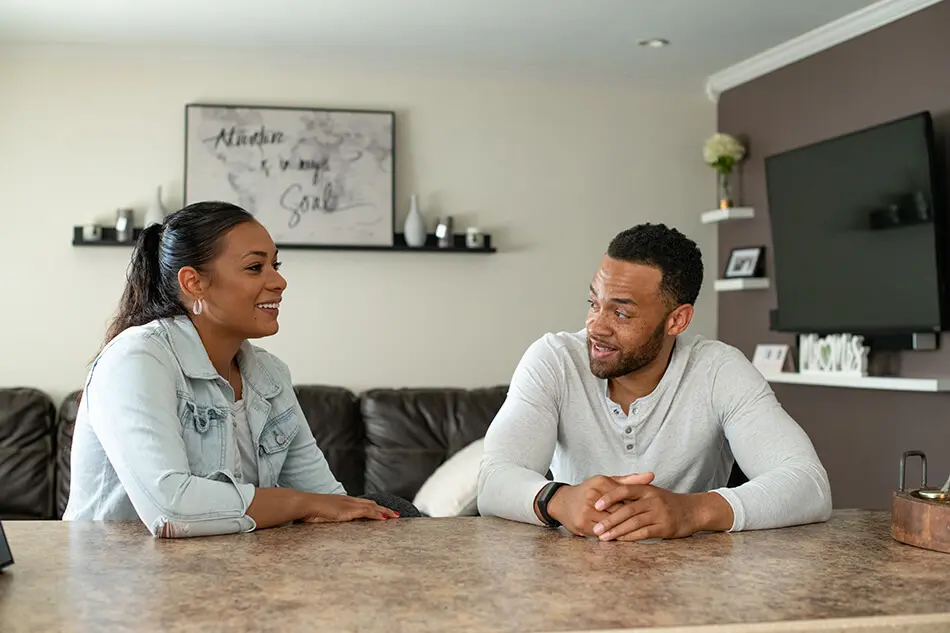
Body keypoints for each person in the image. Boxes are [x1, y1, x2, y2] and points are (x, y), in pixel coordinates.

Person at [64, 202, 420, 538]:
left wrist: (336, 511)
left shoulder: (269, 374)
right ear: (194, 283)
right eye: (255, 267)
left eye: (275, 266)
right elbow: (172, 509)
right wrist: (299, 503)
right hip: (117, 585)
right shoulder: (136, 360)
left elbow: (327, 499)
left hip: (225, 577)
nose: (279, 282)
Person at [477, 223, 831, 541]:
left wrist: (691, 511)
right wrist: (557, 499)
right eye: (593, 303)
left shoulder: (719, 369)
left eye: (621, 313)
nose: (596, 327)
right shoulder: (554, 359)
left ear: (677, 320)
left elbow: (809, 485)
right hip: (572, 578)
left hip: (693, 582)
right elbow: (493, 479)